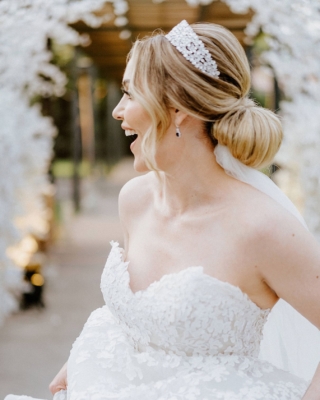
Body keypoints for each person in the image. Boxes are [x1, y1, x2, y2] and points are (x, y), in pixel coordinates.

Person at [6, 20, 320, 400]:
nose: (118, 112)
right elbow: (140, 311)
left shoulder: (262, 228)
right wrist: (82, 361)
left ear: (177, 110)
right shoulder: (134, 200)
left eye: (130, 94)